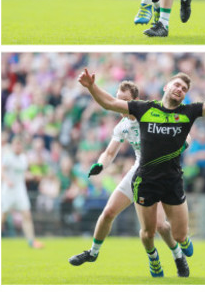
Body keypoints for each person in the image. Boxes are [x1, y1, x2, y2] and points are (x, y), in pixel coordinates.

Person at [77, 63, 205, 277]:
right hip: (145, 180)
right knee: (149, 232)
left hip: (172, 180)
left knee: (179, 235)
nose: (180, 89)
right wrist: (91, 87)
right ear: (166, 87)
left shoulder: (188, 113)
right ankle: (151, 260)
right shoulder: (144, 109)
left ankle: (180, 248)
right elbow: (109, 103)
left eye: (184, 89)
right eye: (177, 85)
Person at [68, 80, 192, 278]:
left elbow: (185, 137)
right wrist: (100, 164)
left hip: (161, 172)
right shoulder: (123, 125)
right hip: (139, 171)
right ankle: (93, 253)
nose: (120, 104)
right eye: (119, 99)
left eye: (124, 100)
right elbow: (109, 153)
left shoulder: (151, 113)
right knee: (108, 212)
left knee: (160, 226)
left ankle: (178, 255)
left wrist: (178, 148)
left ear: (135, 101)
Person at [2, 136, 44, 249]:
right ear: (12, 146)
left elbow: (24, 174)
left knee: (27, 215)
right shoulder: (8, 157)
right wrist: (7, 180)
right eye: (16, 144)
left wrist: (34, 176)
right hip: (8, 191)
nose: (18, 147)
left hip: (20, 190)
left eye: (19, 144)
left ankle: (31, 241)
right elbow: (1, 170)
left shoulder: (23, 158)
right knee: (2, 217)